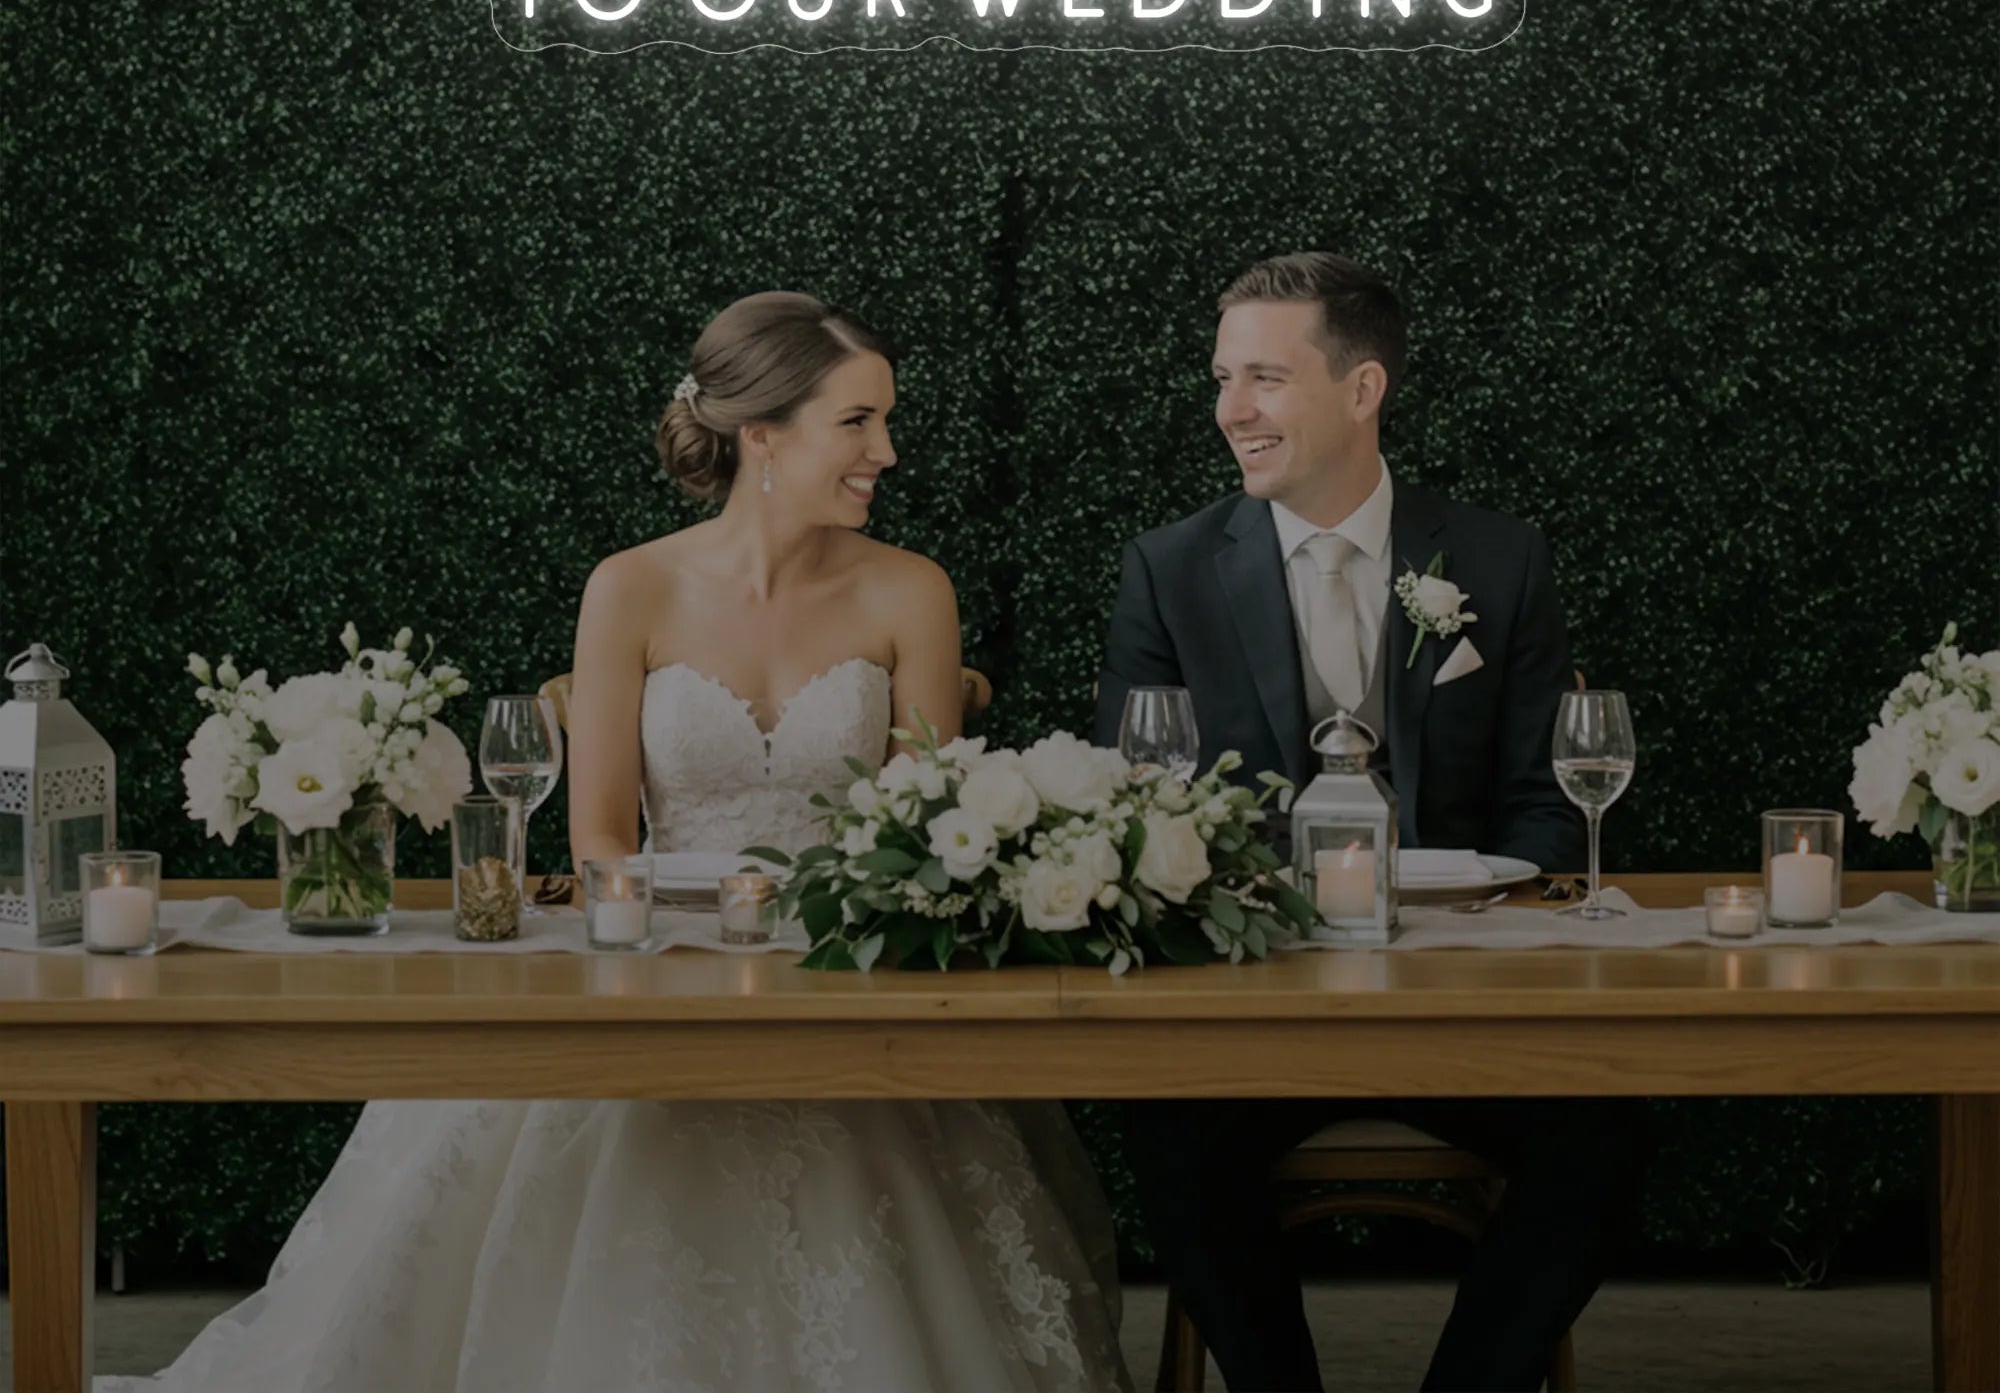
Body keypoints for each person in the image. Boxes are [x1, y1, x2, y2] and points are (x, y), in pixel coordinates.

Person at [110, 292, 1128, 1393]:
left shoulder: (911, 588)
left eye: (883, 420)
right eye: (858, 420)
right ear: (761, 436)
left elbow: (920, 826)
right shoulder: (630, 585)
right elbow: (597, 828)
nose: (886, 448)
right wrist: (668, 938)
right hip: (648, 954)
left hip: (842, 972)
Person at [1094, 252, 1646, 1393]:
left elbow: (1548, 798)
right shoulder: (1169, 569)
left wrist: (1473, 921)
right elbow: (1136, 805)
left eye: (1262, 378)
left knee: (1608, 1133)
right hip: (1253, 1010)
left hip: (1462, 996)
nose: (1228, 410)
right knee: (1170, 1136)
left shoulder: (1497, 557)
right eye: (1220, 378)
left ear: (1361, 389)